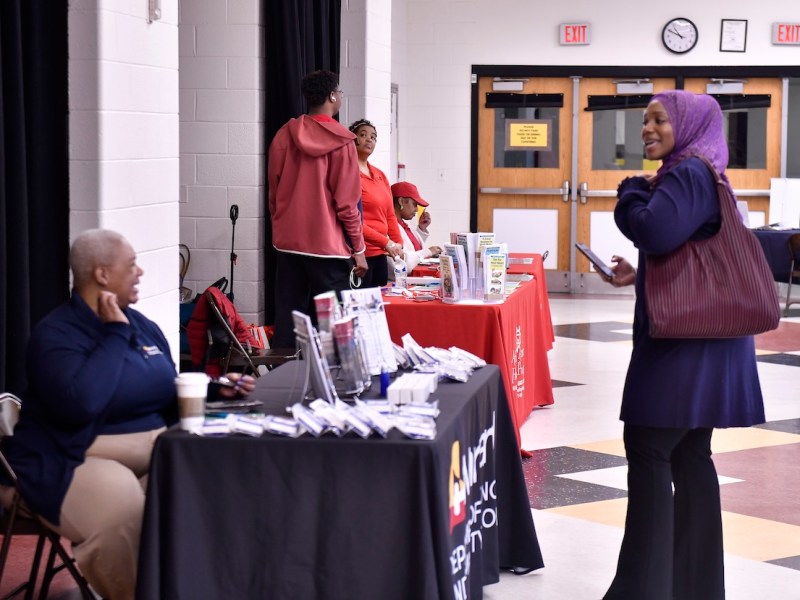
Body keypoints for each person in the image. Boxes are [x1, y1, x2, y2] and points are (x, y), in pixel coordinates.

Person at [0, 229, 255, 600]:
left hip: (148, 444)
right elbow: (81, 403)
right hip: (67, 454)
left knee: (205, 475)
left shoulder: (143, 326)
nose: (140, 272)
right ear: (102, 274)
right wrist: (115, 334)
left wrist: (215, 389)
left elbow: (163, 388)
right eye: (131, 264)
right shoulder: (56, 334)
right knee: (121, 502)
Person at [602, 91, 766, 600]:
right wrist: (641, 276)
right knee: (690, 453)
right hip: (707, 340)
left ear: (689, 126)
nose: (646, 128)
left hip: (683, 348)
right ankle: (695, 588)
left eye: (659, 120)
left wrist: (629, 191)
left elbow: (654, 228)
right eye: (644, 119)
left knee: (650, 448)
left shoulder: (688, 172)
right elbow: (683, 248)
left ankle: (642, 591)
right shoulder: (701, 171)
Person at [268, 70, 368, 348]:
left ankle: (283, 384)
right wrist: (359, 250)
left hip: (289, 244)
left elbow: (274, 193)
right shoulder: (344, 142)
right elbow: (347, 204)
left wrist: (281, 228)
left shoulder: (284, 134)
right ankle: (339, 383)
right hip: (328, 248)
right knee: (336, 325)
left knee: (288, 322)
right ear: (333, 96)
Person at [349, 118, 404, 287]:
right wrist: (386, 242)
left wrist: (398, 244)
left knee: (379, 306)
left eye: (373, 137)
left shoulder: (380, 175)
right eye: (363, 135)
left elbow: (389, 215)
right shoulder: (349, 173)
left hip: (380, 254)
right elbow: (353, 219)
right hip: (359, 255)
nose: (369, 139)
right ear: (353, 139)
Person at [390, 181, 442, 272]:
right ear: (401, 201)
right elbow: (402, 262)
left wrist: (421, 229)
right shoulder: (390, 227)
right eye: (414, 204)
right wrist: (429, 251)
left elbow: (412, 248)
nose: (417, 210)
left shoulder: (404, 224)